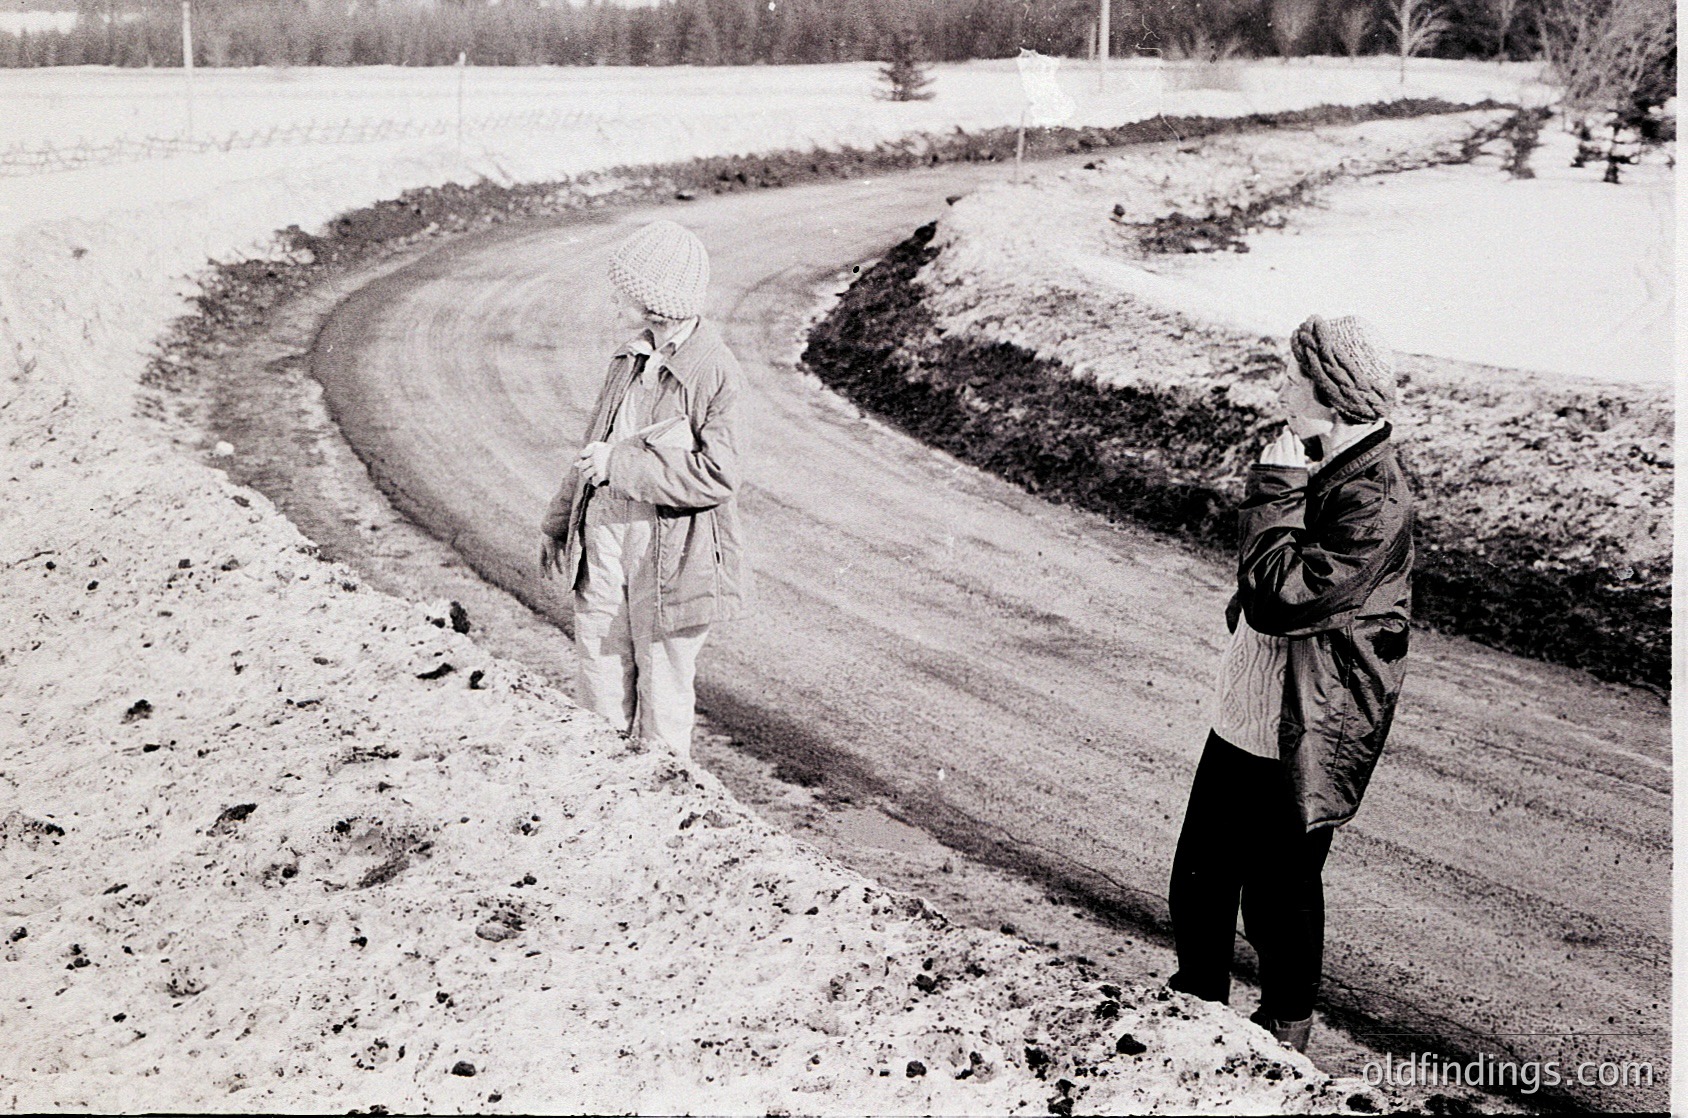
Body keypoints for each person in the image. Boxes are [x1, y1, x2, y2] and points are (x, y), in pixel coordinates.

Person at [1167, 314, 1414, 1054]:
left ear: (1331, 391)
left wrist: (1275, 487)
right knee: (1202, 872)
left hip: (1308, 718)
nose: (1279, 385)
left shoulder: (1374, 494)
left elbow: (1285, 597)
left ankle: (1284, 1029)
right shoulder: (1322, 457)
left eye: (1292, 375)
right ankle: (1197, 1000)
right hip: (1257, 705)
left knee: (1278, 890)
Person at [539, 219, 750, 761]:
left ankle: (657, 819)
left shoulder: (716, 372)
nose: (614, 304)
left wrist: (622, 465)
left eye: (623, 294)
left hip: (672, 557)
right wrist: (558, 521)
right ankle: (598, 795)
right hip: (603, 539)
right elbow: (594, 445)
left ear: (655, 303)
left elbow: (717, 476)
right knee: (599, 681)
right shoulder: (629, 357)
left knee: (663, 698)